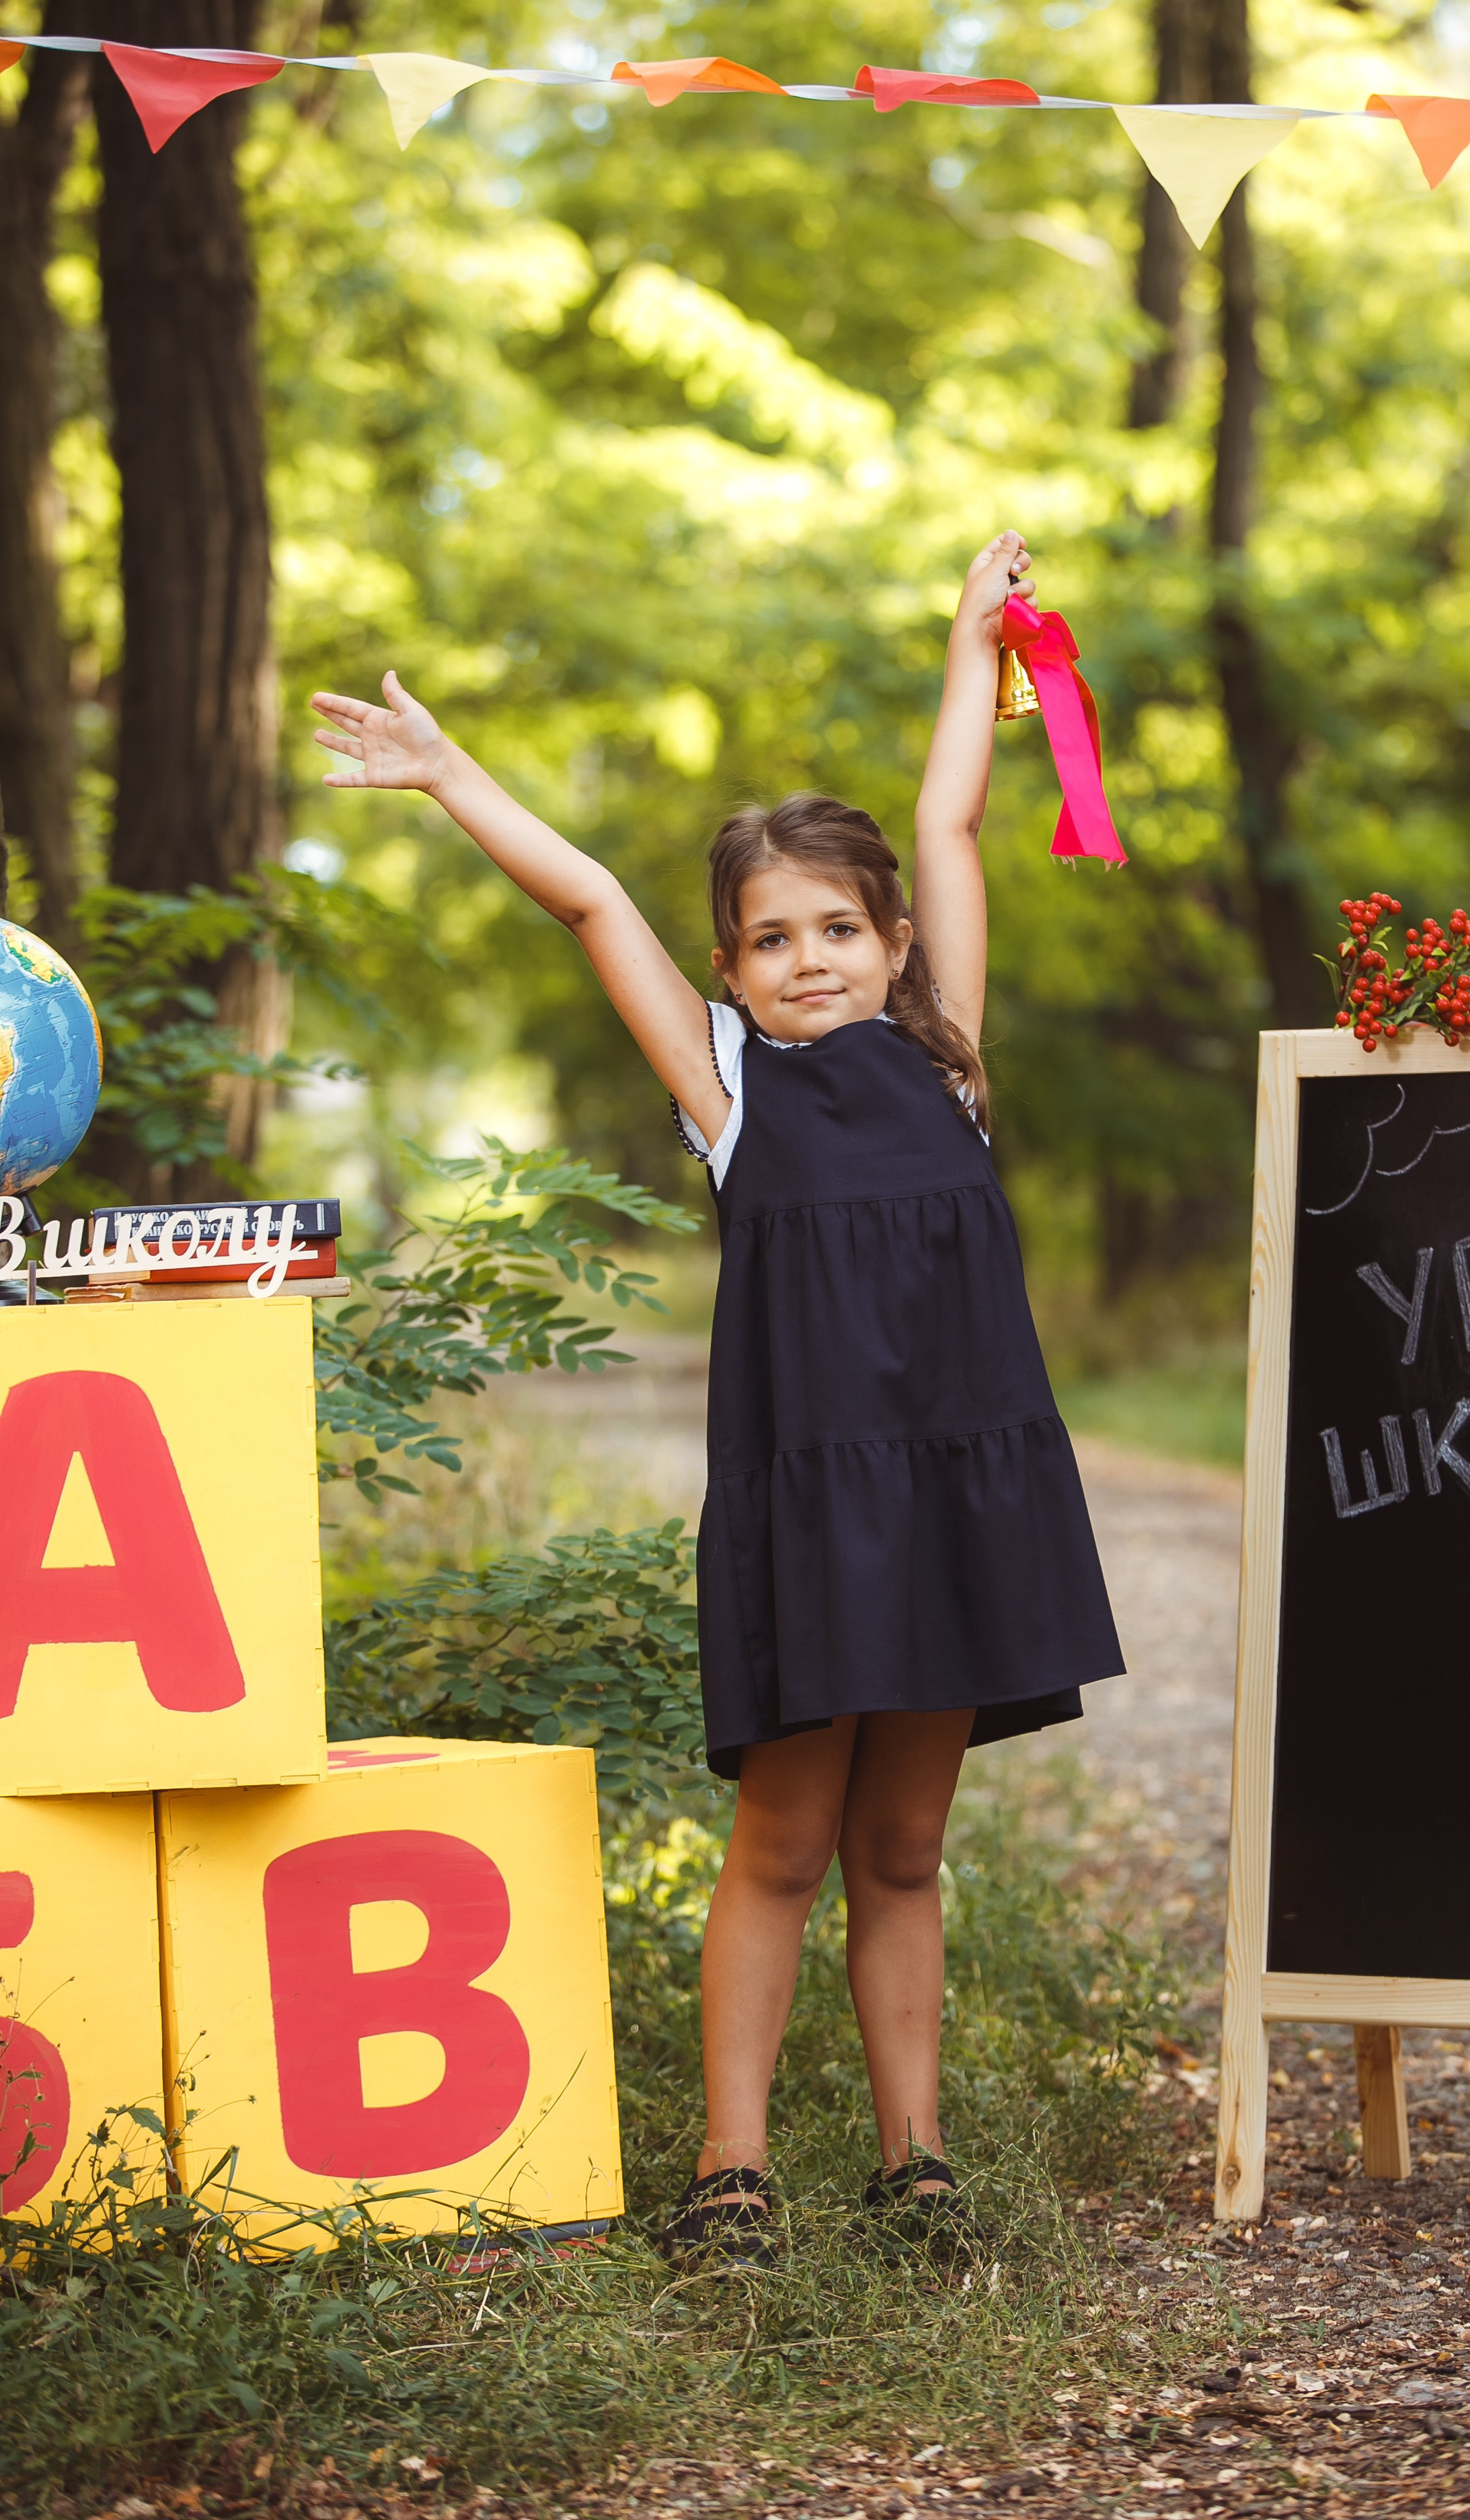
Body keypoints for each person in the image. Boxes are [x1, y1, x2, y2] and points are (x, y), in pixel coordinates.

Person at [311, 529, 1125, 2258]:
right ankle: (729, 2172)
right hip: (813, 1514)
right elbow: (591, 896)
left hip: (957, 1503)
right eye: (769, 939)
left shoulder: (948, 1060)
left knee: (902, 1850)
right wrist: (452, 773)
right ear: (733, 971)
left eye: (839, 928)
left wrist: (972, 638)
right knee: (780, 1840)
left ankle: (916, 2161)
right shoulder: (728, 1090)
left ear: (896, 945)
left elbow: (952, 819)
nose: (808, 958)